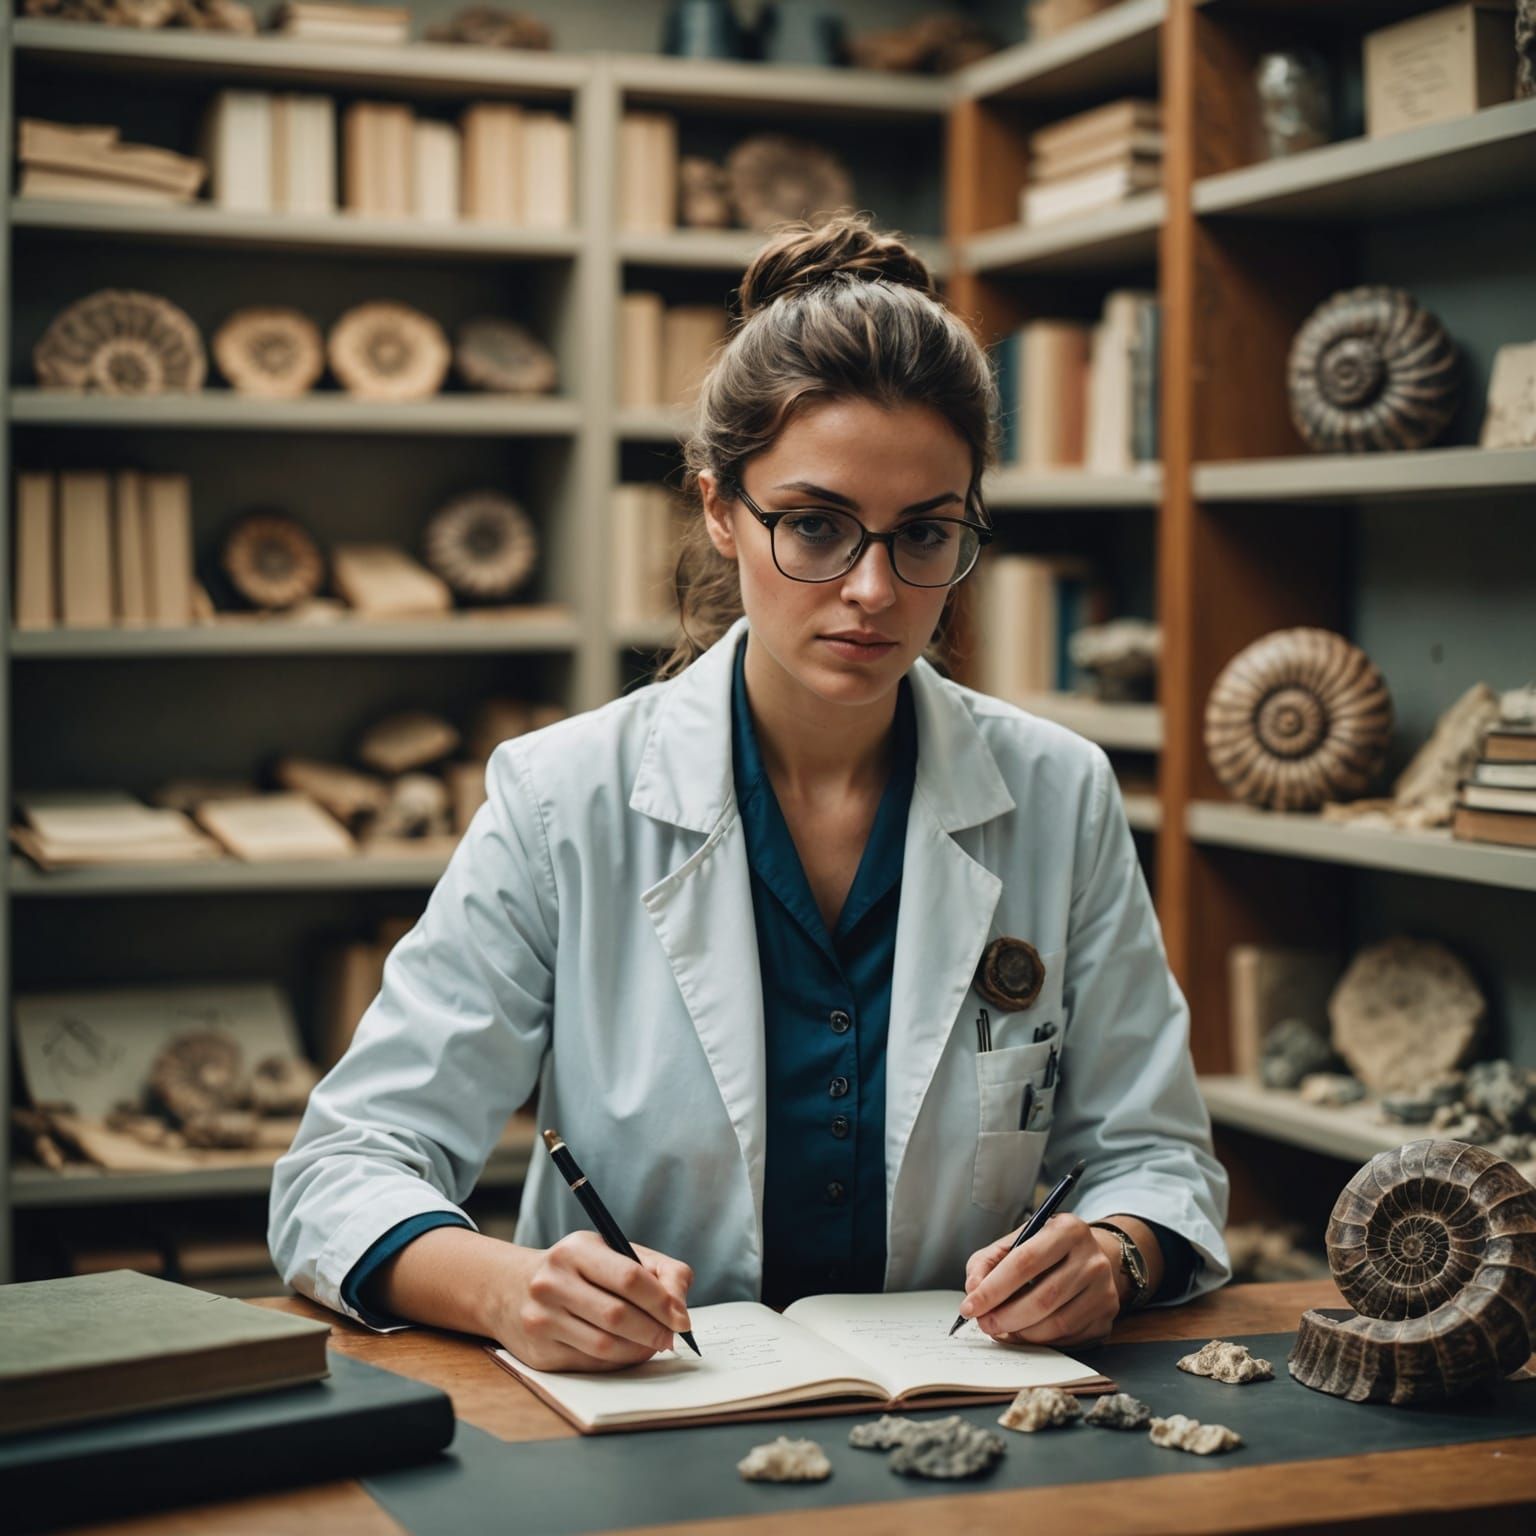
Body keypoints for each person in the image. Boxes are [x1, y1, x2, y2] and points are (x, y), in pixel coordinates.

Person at [269, 213, 1230, 1373]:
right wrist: (512, 1288)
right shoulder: (563, 798)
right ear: (721, 510)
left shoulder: (1057, 794)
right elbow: (343, 1166)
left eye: (925, 533)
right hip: (646, 1420)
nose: (874, 589)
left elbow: (1157, 1158)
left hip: (969, 1419)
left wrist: (1112, 1256)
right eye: (816, 526)